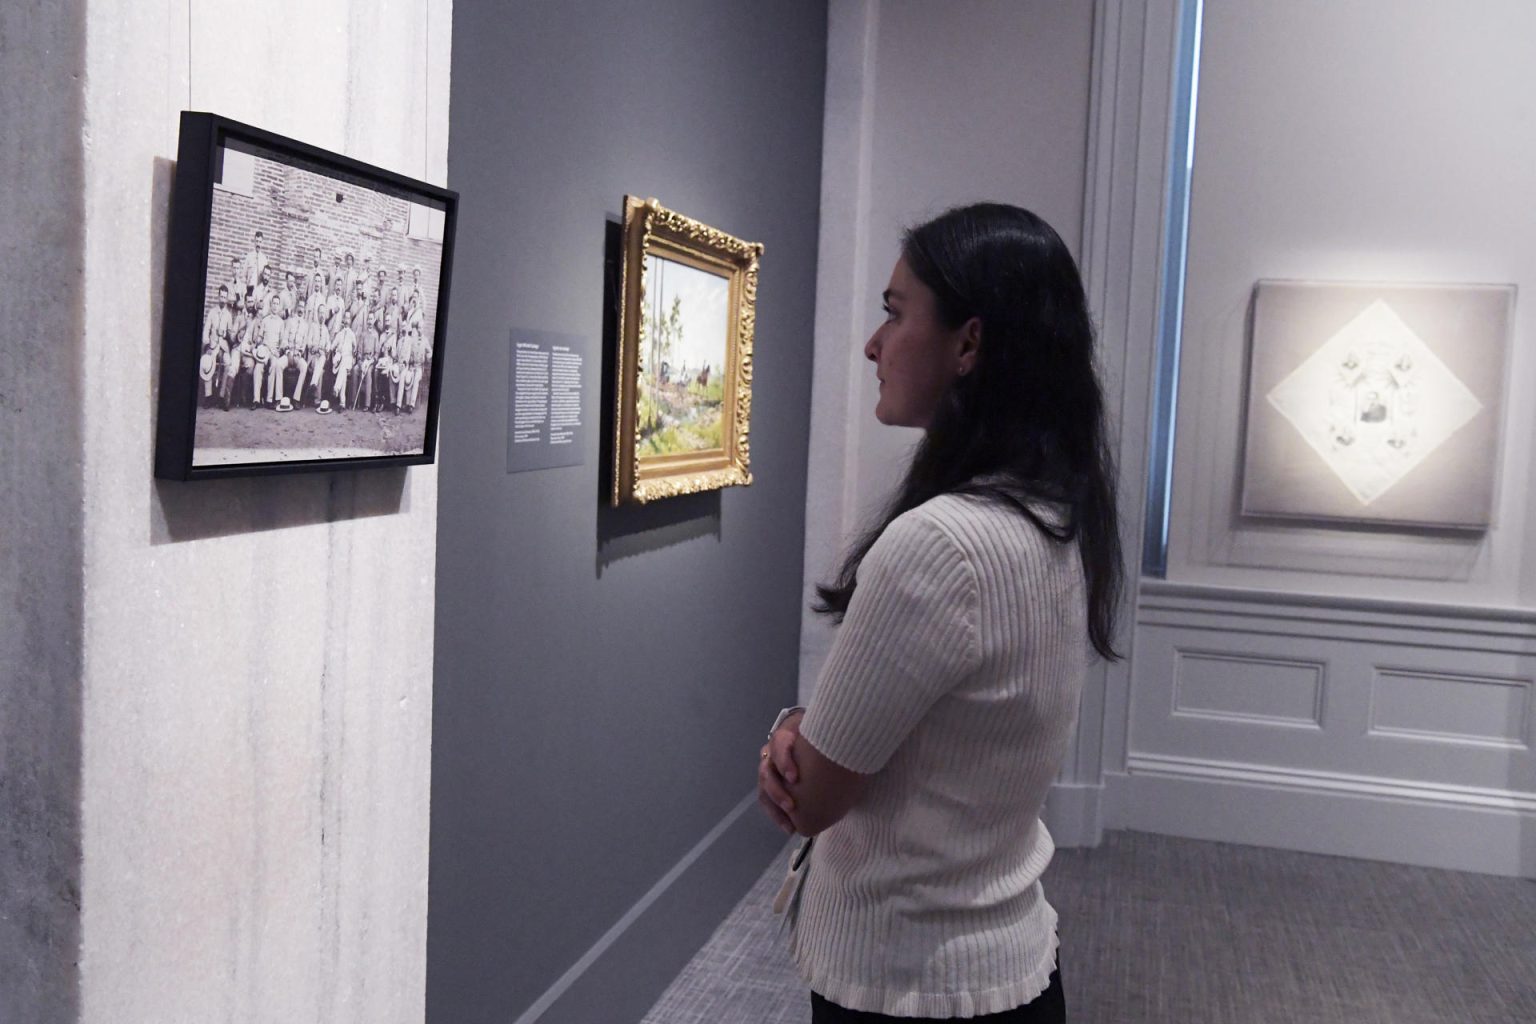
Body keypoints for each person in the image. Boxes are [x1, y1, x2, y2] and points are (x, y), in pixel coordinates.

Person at [756, 204, 1122, 1024]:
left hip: (911, 979)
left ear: (969, 344)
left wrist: (788, 737)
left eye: (894, 313)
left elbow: (809, 798)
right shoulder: (1050, 514)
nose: (873, 344)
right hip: (1006, 955)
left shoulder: (940, 545)